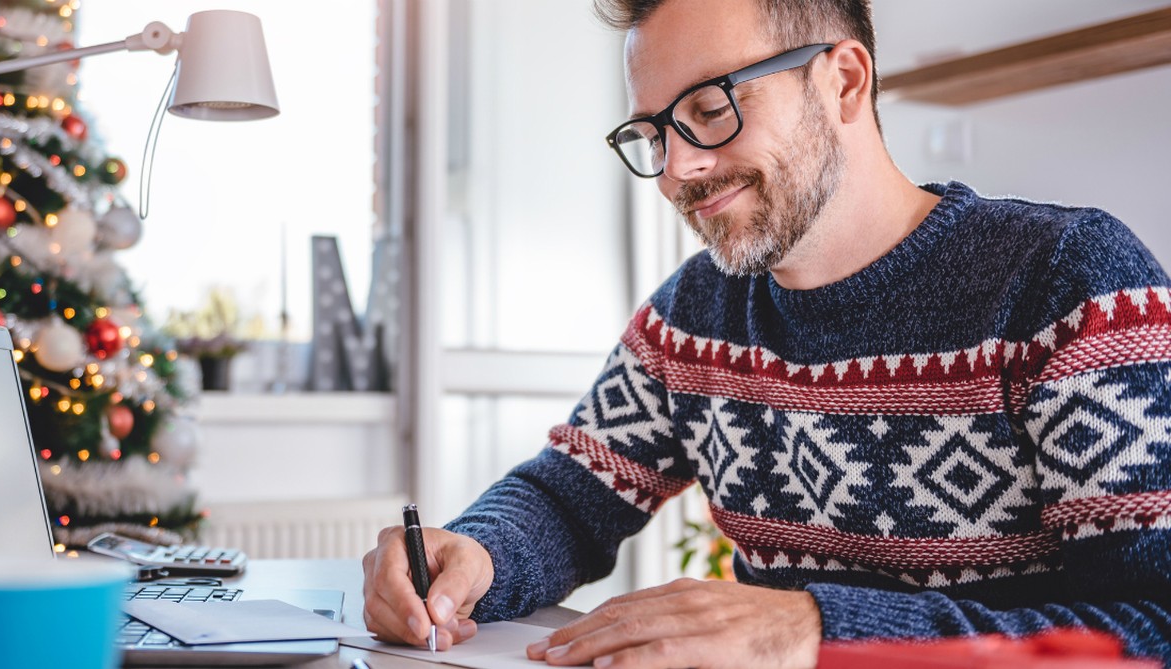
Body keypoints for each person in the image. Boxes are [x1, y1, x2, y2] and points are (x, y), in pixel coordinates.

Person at [362, 0, 1171, 666]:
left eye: (710, 111)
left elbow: (1152, 624)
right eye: (653, 134)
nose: (678, 169)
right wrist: (475, 555)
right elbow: (569, 498)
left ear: (844, 81)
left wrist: (815, 626)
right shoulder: (694, 313)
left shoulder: (1070, 282)